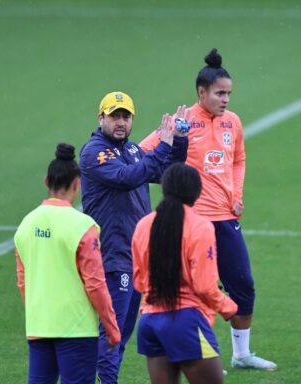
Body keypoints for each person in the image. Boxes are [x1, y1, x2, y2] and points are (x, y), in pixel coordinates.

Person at [140, 48, 277, 371]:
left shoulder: (233, 122)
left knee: (242, 284)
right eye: (219, 93)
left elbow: (239, 159)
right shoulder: (182, 122)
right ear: (201, 93)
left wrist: (236, 194)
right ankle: (196, 352)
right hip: (190, 221)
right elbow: (146, 151)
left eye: (228, 93)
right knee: (193, 289)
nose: (225, 99)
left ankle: (242, 354)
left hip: (226, 218)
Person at [79, 91, 188, 382]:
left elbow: (168, 173)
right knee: (112, 330)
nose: (120, 122)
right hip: (112, 255)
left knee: (122, 331)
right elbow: (128, 178)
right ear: (100, 118)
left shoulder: (132, 151)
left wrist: (178, 139)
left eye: (126, 117)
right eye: (114, 116)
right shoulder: (95, 152)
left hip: (135, 256)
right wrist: (163, 146)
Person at [14, 143, 121, 384]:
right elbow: (95, 284)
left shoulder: (25, 225)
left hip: (39, 325)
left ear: (46, 181)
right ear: (77, 184)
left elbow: (23, 282)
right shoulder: (84, 226)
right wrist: (111, 328)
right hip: (77, 329)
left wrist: (37, 313)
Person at [132, 163, 238, 384]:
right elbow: (205, 286)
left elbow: (139, 280)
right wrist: (228, 307)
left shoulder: (143, 225)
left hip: (150, 321)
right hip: (185, 322)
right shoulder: (200, 226)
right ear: (197, 192)